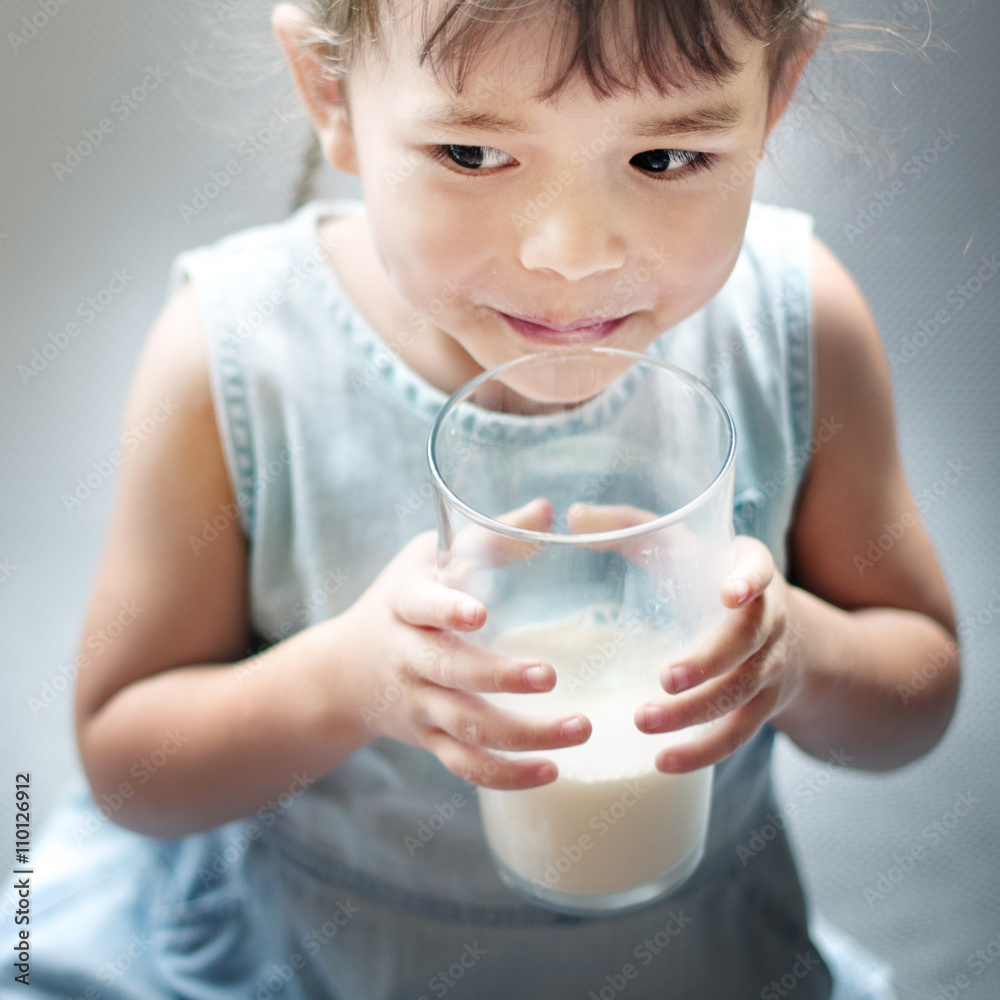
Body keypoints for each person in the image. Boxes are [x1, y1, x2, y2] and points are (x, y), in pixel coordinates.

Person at [1, 1, 959, 997]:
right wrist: (347, 682)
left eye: (665, 158)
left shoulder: (799, 328)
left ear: (774, 97)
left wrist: (800, 653)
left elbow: (918, 689)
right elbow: (129, 766)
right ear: (330, 93)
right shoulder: (236, 360)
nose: (570, 252)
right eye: (469, 152)